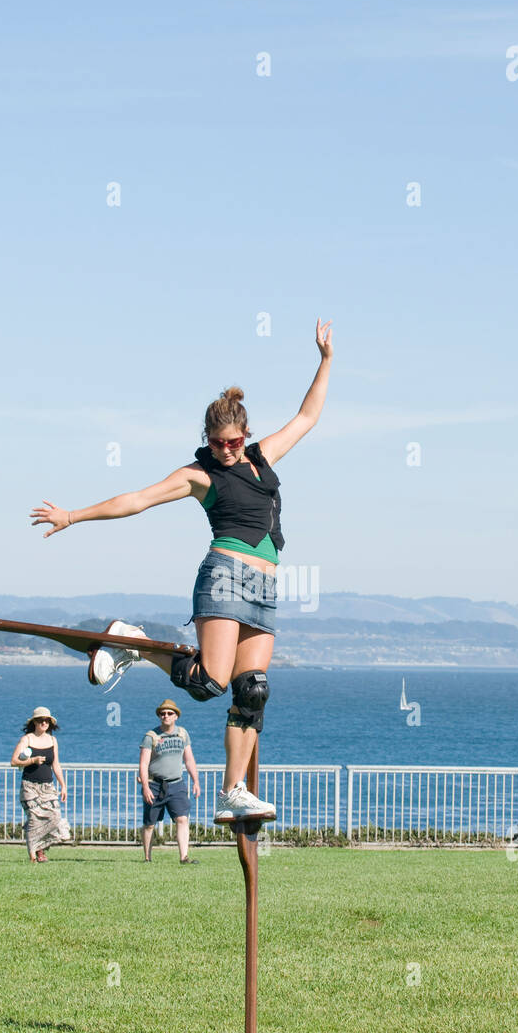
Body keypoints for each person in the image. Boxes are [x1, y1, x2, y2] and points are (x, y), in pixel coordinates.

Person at [31, 317, 333, 821]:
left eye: (234, 442)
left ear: (245, 435)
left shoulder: (262, 458)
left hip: (266, 585)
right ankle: (131, 640)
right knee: (209, 682)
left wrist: (325, 361)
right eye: (218, 444)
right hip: (225, 576)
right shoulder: (199, 475)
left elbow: (307, 417)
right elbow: (138, 500)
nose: (227, 450)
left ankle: (232, 792)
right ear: (207, 440)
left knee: (251, 691)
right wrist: (73, 515)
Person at [140, 699, 200, 864]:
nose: (165, 716)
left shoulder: (182, 734)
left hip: (177, 784)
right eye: (162, 713)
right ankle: (147, 857)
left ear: (176, 716)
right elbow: (143, 763)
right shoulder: (150, 736)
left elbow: (189, 760)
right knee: (150, 824)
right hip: (155, 784)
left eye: (169, 713)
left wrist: (196, 781)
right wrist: (145, 787)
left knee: (182, 819)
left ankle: (184, 857)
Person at [10, 707, 71, 862]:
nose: (44, 723)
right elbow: (14, 761)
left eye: (47, 720)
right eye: (41, 720)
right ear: (34, 722)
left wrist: (63, 785)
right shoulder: (27, 739)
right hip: (29, 786)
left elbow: (56, 764)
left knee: (54, 816)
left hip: (48, 787)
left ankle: (41, 848)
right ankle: (35, 854)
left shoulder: (52, 740)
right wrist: (32, 761)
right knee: (35, 819)